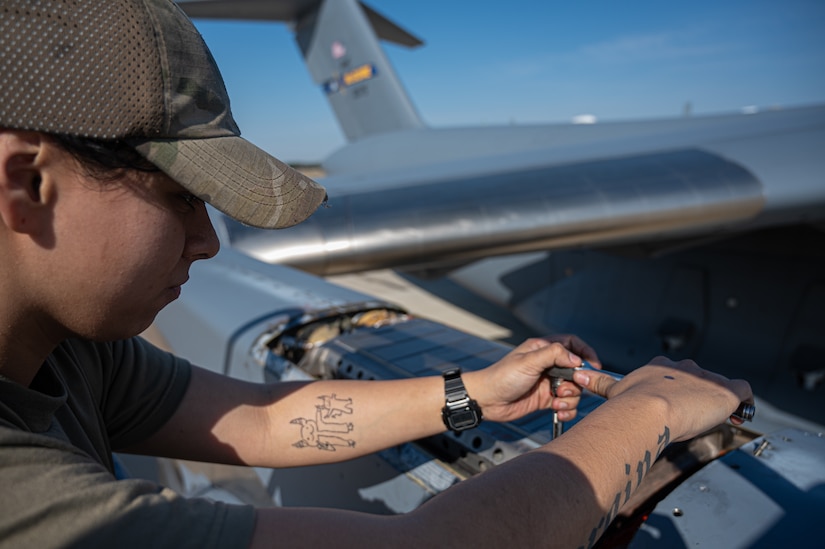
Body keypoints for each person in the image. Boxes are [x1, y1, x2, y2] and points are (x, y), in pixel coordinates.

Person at [0, 1, 753, 547]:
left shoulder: (65, 350)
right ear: (27, 182)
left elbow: (263, 420)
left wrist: (472, 396)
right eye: (178, 198)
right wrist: (647, 413)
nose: (208, 241)